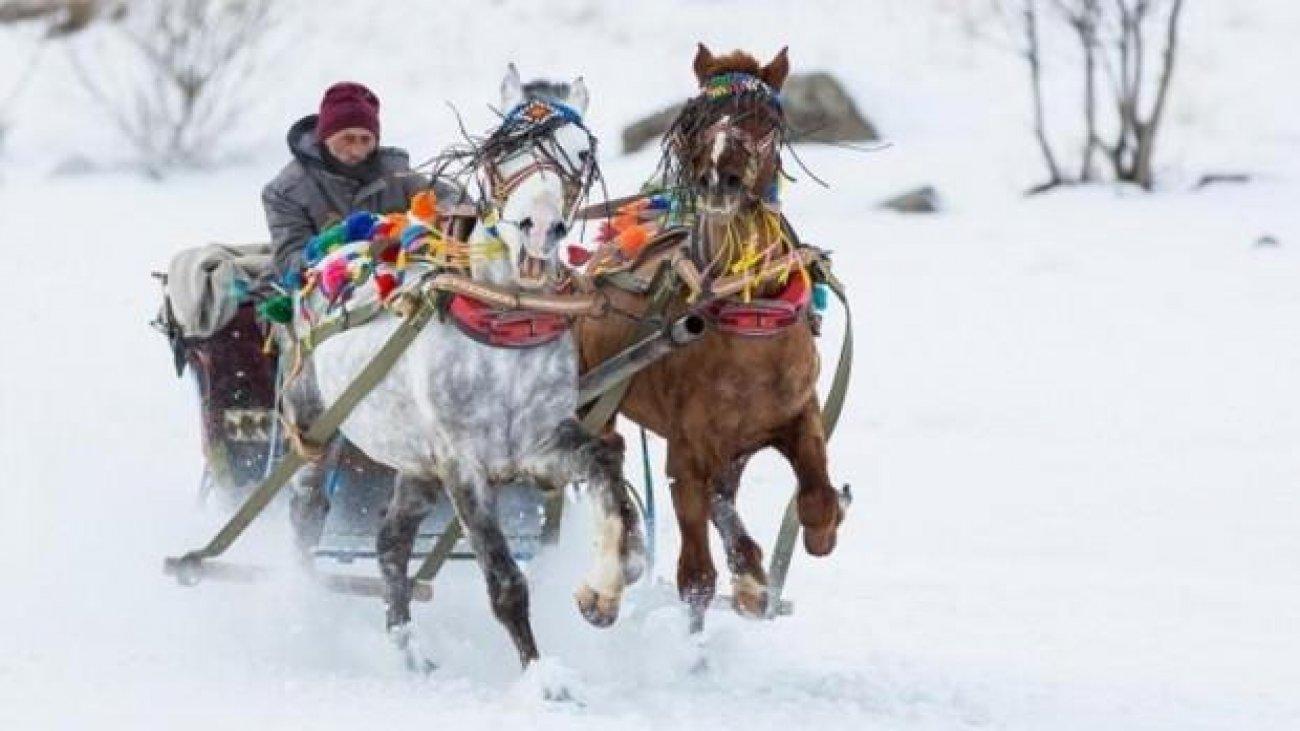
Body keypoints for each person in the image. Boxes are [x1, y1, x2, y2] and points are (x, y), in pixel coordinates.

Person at [262, 81, 461, 284]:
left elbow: (454, 200)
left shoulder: (395, 172)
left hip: (399, 276)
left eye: (365, 140)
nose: (357, 151)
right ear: (325, 138)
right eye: (347, 139)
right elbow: (288, 260)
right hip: (327, 289)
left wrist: (426, 226)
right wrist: (334, 250)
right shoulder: (285, 191)